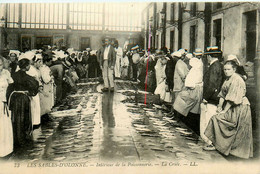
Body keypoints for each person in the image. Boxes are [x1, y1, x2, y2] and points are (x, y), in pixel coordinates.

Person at [204, 60, 253, 159]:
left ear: (234, 69)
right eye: (225, 69)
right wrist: (219, 106)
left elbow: (231, 99)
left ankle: (235, 152)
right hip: (232, 106)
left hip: (240, 107)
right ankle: (218, 145)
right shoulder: (227, 79)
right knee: (216, 119)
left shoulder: (237, 79)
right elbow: (222, 94)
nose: (226, 71)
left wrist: (224, 111)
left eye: (228, 69)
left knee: (236, 129)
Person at [8, 58, 39, 147]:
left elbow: (9, 87)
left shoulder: (13, 75)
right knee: (24, 118)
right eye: (29, 65)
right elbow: (34, 87)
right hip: (23, 99)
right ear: (26, 66)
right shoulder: (27, 77)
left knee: (15, 118)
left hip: (14, 98)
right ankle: (23, 139)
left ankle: (16, 139)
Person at [200, 46, 224, 146]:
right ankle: (211, 142)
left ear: (210, 56)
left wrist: (205, 97)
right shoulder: (219, 65)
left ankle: (210, 142)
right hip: (215, 98)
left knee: (208, 120)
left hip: (211, 99)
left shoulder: (214, 67)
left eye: (207, 56)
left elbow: (211, 84)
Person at [0, 56, 14, 157]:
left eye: (0, 64)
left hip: (4, 103)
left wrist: (8, 96)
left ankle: (5, 148)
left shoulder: (6, 73)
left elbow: (12, 84)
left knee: (4, 124)